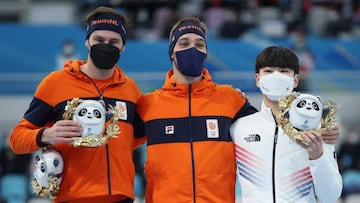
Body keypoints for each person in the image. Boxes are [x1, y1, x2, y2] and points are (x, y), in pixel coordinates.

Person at [9, 6, 145, 203]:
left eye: (114, 41)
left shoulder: (130, 89)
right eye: (99, 40)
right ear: (87, 41)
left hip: (120, 197)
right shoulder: (55, 83)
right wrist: (47, 135)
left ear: (123, 46)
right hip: (72, 197)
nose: (106, 45)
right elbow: (16, 140)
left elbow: (136, 137)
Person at [136, 17, 258, 203]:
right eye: (184, 43)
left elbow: (265, 132)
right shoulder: (149, 104)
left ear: (206, 52)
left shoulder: (231, 99)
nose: (192, 49)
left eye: (199, 44)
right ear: (172, 52)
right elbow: (117, 145)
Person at [230, 46, 343, 203]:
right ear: (258, 79)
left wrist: (317, 156)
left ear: (295, 80)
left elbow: (330, 196)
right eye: (268, 71)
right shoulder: (239, 128)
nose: (276, 76)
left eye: (284, 71)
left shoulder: (317, 130)